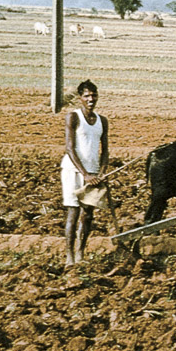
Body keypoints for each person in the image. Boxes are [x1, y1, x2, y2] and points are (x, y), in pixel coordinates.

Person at [61, 79, 109, 266]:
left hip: (93, 173)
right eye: (87, 96)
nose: (91, 99)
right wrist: (85, 174)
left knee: (88, 214)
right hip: (73, 171)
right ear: (80, 98)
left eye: (93, 95)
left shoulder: (102, 121)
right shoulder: (73, 117)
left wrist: (101, 172)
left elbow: (105, 150)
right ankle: (69, 256)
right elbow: (70, 148)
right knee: (73, 213)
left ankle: (81, 253)